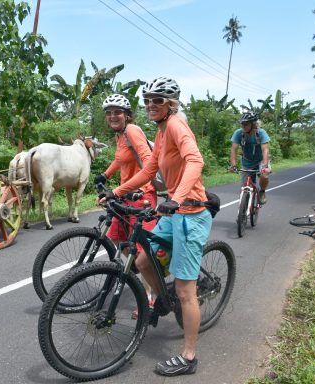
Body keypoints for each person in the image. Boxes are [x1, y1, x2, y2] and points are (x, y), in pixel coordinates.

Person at [99, 77, 212, 377]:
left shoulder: (176, 125)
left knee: (187, 291)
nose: (150, 105)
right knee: (142, 258)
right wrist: (117, 192)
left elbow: (195, 160)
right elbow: (150, 169)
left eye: (157, 100)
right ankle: (162, 297)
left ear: (171, 104)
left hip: (191, 213)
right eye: (148, 99)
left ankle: (189, 357)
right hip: (174, 212)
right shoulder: (161, 131)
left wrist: (176, 197)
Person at [94, 93, 158, 318]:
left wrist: (126, 190)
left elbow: (149, 161)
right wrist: (105, 174)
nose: (113, 116)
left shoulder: (132, 130)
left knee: (142, 254)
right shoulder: (120, 136)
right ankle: (136, 274)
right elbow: (120, 160)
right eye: (109, 113)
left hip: (142, 196)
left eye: (117, 112)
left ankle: (151, 298)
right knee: (117, 239)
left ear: (127, 115)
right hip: (125, 196)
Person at [228, 111, 271, 204]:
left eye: (246, 124)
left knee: (264, 175)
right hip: (247, 162)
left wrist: (265, 166)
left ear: (253, 124)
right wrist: (233, 165)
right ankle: (243, 210)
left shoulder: (261, 133)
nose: (243, 126)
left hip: (260, 161)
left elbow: (265, 150)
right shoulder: (239, 133)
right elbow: (233, 150)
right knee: (245, 187)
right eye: (242, 124)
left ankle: (262, 192)